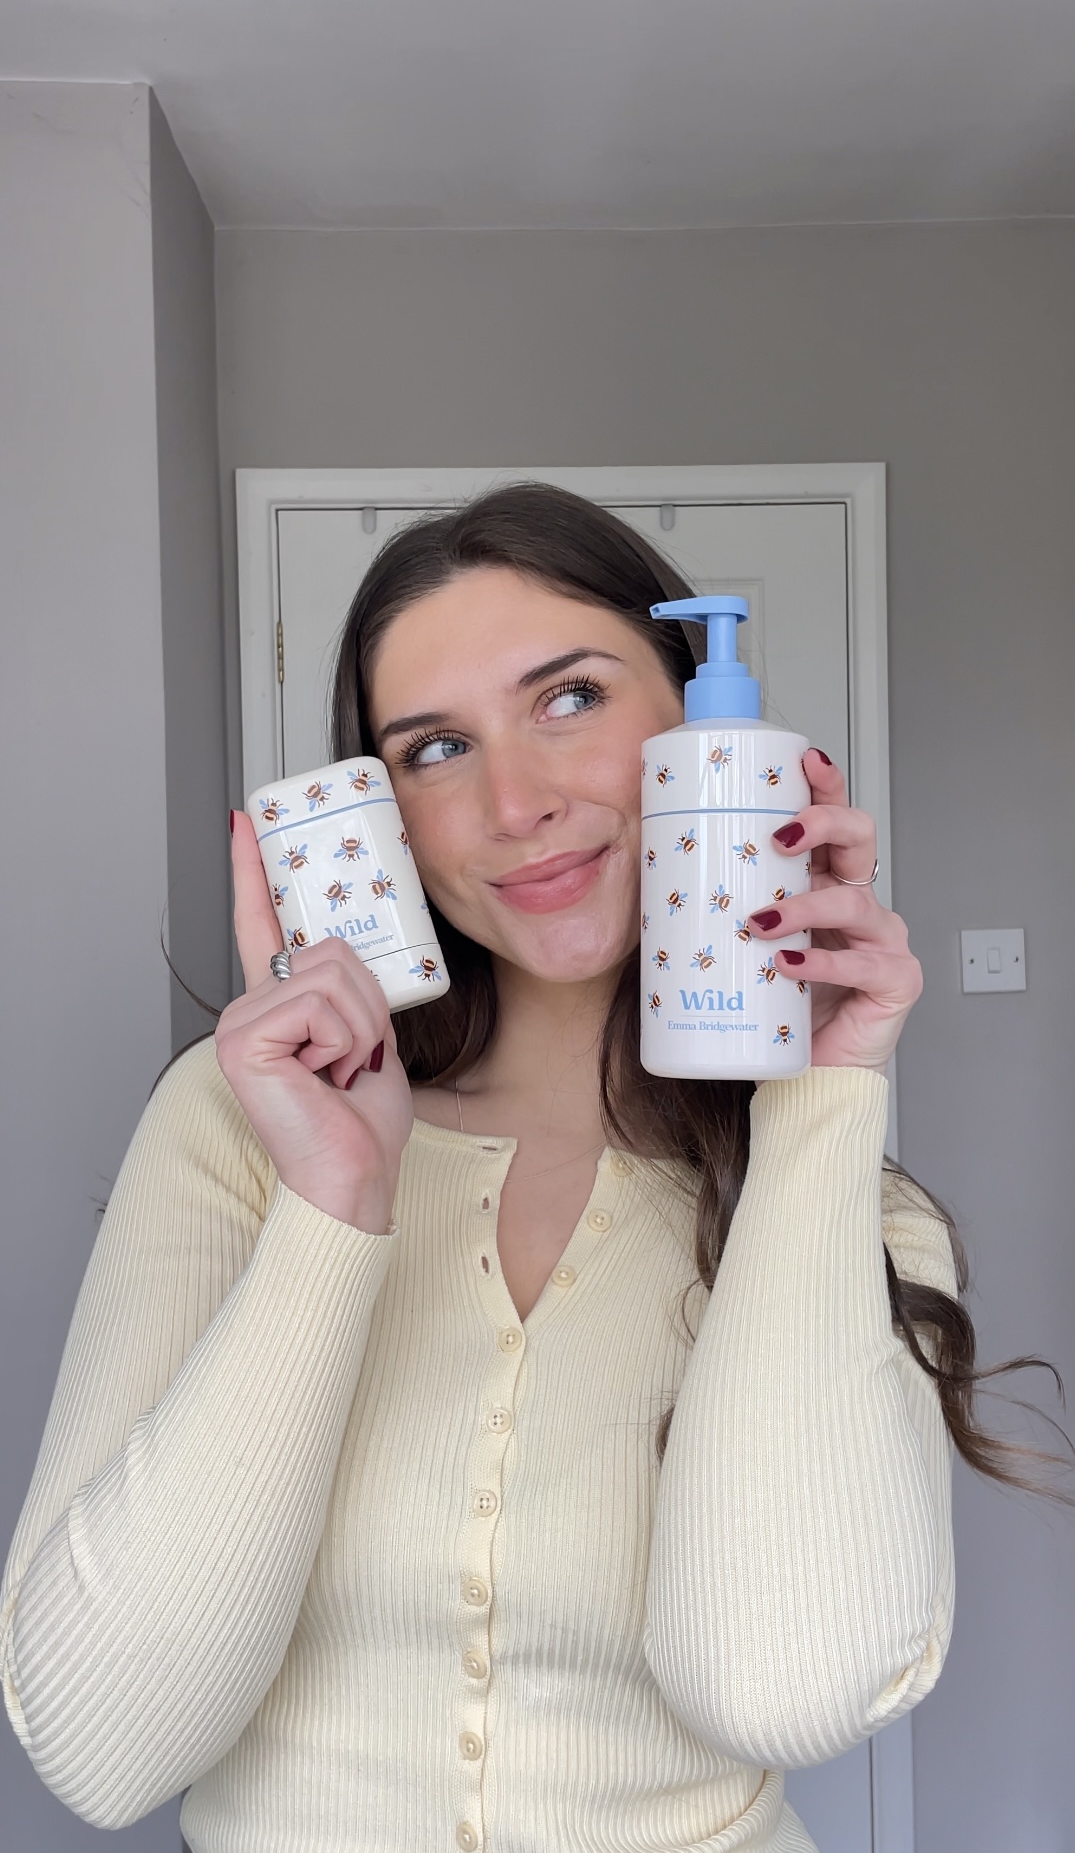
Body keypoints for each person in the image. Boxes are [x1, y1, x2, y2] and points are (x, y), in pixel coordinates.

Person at [2, 485, 1069, 1853]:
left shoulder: (844, 1194)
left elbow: (782, 1687)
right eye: (438, 748)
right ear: (386, 813)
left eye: (571, 698)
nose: (516, 805)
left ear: (696, 722)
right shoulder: (238, 1125)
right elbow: (102, 1751)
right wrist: (334, 1208)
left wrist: (817, 1096)